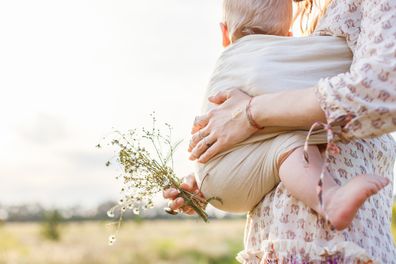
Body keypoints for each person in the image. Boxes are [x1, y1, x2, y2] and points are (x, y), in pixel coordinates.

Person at [164, 0, 396, 262]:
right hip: (276, 242)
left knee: (291, 140)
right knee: (290, 141)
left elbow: (384, 85)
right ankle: (329, 198)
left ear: (224, 33)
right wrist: (216, 168)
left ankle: (331, 198)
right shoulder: (302, 25)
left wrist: (251, 113)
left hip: (331, 245)